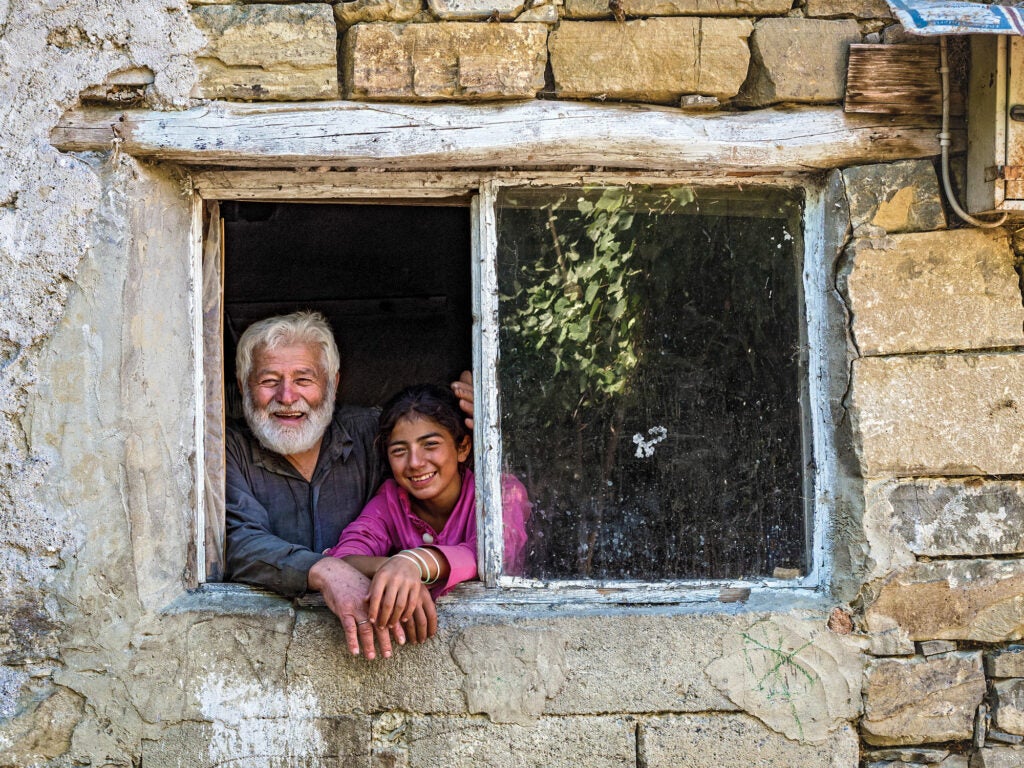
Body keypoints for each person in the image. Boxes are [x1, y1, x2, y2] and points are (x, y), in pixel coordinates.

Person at [224, 311, 474, 659]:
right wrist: (326, 570)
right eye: (269, 380)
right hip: (260, 653)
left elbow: (446, 474)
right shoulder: (224, 449)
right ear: (242, 385)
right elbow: (236, 542)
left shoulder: (371, 434)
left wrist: (484, 415)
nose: (286, 395)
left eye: (303, 379)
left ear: (333, 383)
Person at [323, 385, 530, 633]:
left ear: (463, 447)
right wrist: (395, 571)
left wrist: (415, 563)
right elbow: (343, 558)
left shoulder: (501, 493)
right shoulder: (391, 500)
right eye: (399, 450)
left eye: (430, 445)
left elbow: (493, 554)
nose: (415, 463)